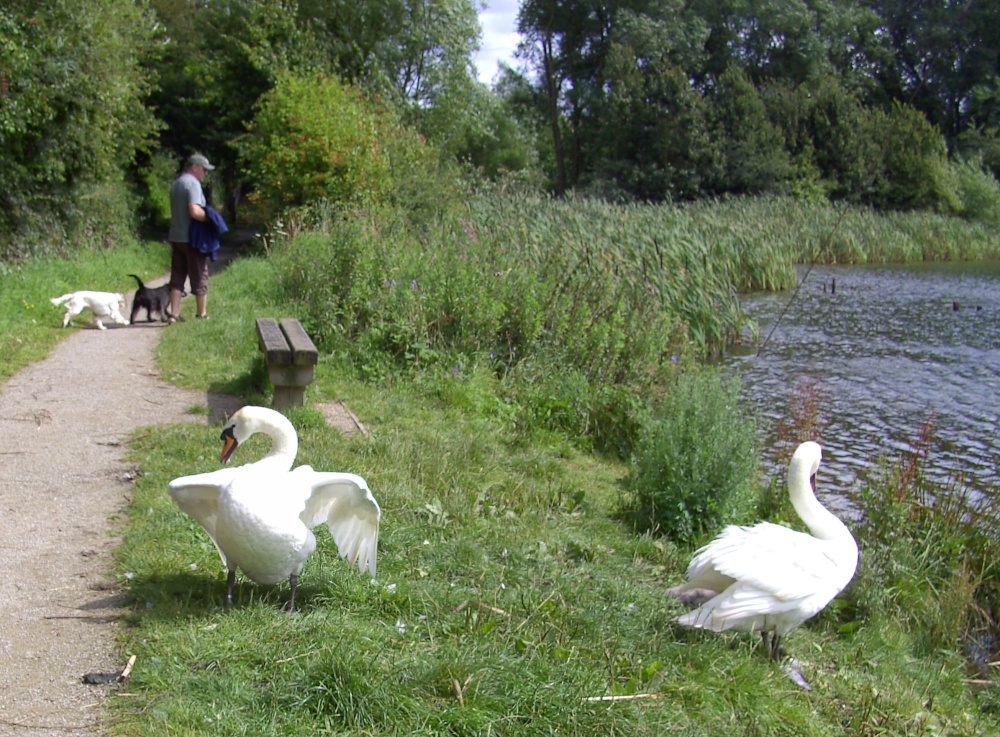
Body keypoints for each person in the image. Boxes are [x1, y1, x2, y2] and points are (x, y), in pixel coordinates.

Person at [168, 153, 215, 321]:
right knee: (200, 274)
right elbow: (194, 210)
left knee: (177, 275)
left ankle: (174, 314)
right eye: (204, 170)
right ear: (195, 167)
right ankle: (201, 314)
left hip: (176, 236)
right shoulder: (193, 184)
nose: (205, 174)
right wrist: (210, 218)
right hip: (192, 239)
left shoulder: (177, 183)